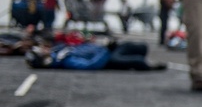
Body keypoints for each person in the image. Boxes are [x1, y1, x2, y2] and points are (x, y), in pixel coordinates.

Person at [24, 38, 166, 71]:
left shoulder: (59, 51)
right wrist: (105, 51)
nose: (43, 49)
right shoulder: (66, 60)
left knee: (137, 46)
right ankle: (151, 66)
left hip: (103, 50)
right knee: (137, 61)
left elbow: (81, 47)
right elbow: (91, 64)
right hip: (107, 59)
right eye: (40, 51)